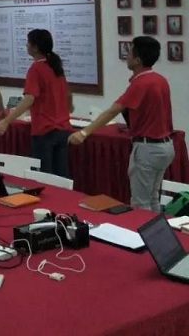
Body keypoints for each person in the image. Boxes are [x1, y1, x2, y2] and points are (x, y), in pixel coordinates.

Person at [69, 37, 174, 211]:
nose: (127, 56)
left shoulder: (141, 83)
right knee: (153, 198)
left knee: (140, 203)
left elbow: (114, 110)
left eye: (130, 52)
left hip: (148, 148)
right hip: (165, 146)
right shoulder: (160, 80)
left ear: (138, 60)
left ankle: (141, 229)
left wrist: (83, 133)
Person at [0, 29, 73, 178]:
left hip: (45, 129)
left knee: (45, 177)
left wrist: (6, 121)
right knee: (62, 176)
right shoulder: (56, 67)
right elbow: (68, 94)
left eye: (28, 43)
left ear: (35, 47)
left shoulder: (36, 69)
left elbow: (29, 99)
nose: (26, 46)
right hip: (63, 128)